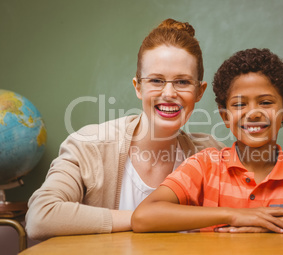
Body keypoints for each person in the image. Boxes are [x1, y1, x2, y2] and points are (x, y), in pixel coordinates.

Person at [131, 48, 283, 234]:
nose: (253, 113)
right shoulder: (205, 166)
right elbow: (144, 217)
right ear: (225, 116)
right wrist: (235, 216)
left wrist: (269, 223)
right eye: (240, 104)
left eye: (265, 102)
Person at [25, 18, 224, 240]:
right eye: (156, 81)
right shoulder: (89, 146)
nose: (169, 93)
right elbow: (40, 217)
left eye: (183, 82)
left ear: (199, 91)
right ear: (138, 87)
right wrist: (144, 218)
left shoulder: (212, 155)